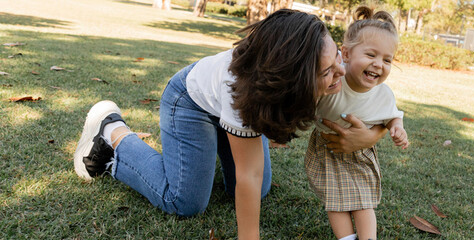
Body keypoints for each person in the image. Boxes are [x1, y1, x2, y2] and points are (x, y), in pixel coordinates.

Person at [72, 9, 387, 240]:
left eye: (338, 59)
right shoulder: (246, 97)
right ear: (293, 83)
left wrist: (371, 135)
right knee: (185, 202)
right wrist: (249, 236)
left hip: (231, 109)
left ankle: (201, 159)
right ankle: (112, 133)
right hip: (190, 101)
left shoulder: (318, 67)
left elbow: (382, 104)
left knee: (258, 190)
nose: (342, 73)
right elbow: (249, 173)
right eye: (328, 72)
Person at [304, 7, 408, 240]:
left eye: (387, 59)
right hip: (326, 148)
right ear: (347, 54)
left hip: (360, 153)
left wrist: (397, 127)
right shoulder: (331, 83)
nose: (379, 64)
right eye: (371, 55)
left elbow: (392, 115)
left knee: (363, 200)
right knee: (335, 201)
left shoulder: (383, 94)